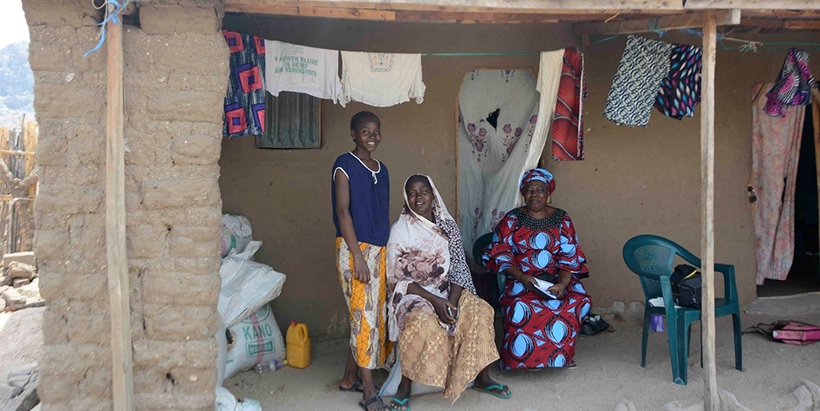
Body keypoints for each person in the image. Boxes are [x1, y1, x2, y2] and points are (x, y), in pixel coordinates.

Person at [386, 174, 511, 411]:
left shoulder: (447, 226)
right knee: (420, 321)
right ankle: (405, 386)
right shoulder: (400, 230)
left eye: (423, 191)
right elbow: (396, 279)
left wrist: (451, 300)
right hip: (415, 294)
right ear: (406, 198)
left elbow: (459, 268)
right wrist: (435, 300)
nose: (418, 197)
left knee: (480, 311)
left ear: (433, 195)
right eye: (412, 193)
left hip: (447, 289)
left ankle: (482, 378)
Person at [483, 168, 592, 370]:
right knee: (522, 306)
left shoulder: (562, 219)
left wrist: (562, 284)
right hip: (522, 280)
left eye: (540, 190)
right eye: (530, 190)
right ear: (523, 193)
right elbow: (501, 253)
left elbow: (569, 256)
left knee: (577, 301)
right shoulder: (512, 219)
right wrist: (522, 277)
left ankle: (560, 357)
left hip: (556, 279)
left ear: (548, 193)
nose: (535, 194)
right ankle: (519, 361)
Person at [332, 111, 392, 411]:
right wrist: (357, 256)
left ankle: (348, 378)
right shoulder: (344, 166)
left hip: (379, 250)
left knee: (367, 315)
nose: (372, 135)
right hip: (354, 249)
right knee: (365, 317)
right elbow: (344, 212)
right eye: (366, 130)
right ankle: (369, 391)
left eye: (377, 131)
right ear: (353, 134)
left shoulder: (382, 169)